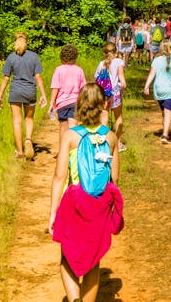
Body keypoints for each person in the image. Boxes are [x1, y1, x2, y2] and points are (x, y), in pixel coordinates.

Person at [49, 83, 124, 302]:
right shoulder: (110, 137)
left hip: (75, 201)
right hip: (99, 204)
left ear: (80, 105)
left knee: (67, 255)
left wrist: (53, 211)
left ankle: (74, 299)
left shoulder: (71, 136)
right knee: (93, 257)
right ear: (103, 105)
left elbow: (59, 175)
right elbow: (115, 178)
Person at [0, 32, 48, 160]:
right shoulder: (34, 57)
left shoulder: (11, 58)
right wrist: (43, 95)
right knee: (29, 118)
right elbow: (38, 77)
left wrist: (0, 96)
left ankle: (20, 153)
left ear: (15, 41)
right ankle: (28, 140)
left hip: (15, 92)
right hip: (30, 91)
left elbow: (6, 78)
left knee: (17, 122)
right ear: (27, 41)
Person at [143, 40, 171, 144]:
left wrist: (146, 86)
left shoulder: (156, 60)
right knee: (168, 113)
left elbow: (152, 74)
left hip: (159, 90)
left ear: (161, 48)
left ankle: (165, 130)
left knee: (164, 112)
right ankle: (165, 135)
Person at [95, 43, 128, 151]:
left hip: (104, 93)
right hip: (115, 93)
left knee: (104, 115)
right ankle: (118, 143)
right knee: (118, 117)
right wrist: (123, 83)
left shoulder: (101, 63)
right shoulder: (119, 61)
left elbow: (96, 77)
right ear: (116, 51)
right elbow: (121, 74)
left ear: (104, 53)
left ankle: (102, 142)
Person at [48, 45, 87, 135]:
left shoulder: (58, 70)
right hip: (75, 102)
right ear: (75, 57)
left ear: (61, 57)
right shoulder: (79, 70)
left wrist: (51, 103)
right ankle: (73, 147)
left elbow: (55, 88)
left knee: (63, 128)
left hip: (62, 103)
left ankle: (63, 148)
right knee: (74, 128)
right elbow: (83, 89)